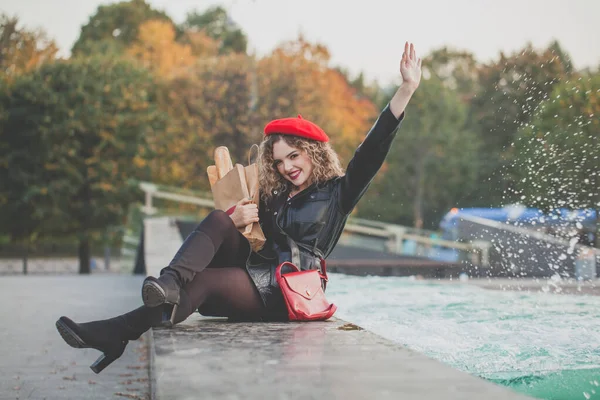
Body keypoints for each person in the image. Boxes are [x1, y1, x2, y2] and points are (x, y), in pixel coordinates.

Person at [55, 42, 422, 373]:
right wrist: (237, 218)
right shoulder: (277, 194)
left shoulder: (338, 192)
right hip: (256, 271)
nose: (286, 167)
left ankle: (116, 332)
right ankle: (167, 284)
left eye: (293, 156)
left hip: (286, 289)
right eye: (278, 161)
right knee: (219, 218)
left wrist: (405, 90)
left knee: (204, 281)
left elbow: (371, 152)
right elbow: (247, 237)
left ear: (313, 152)